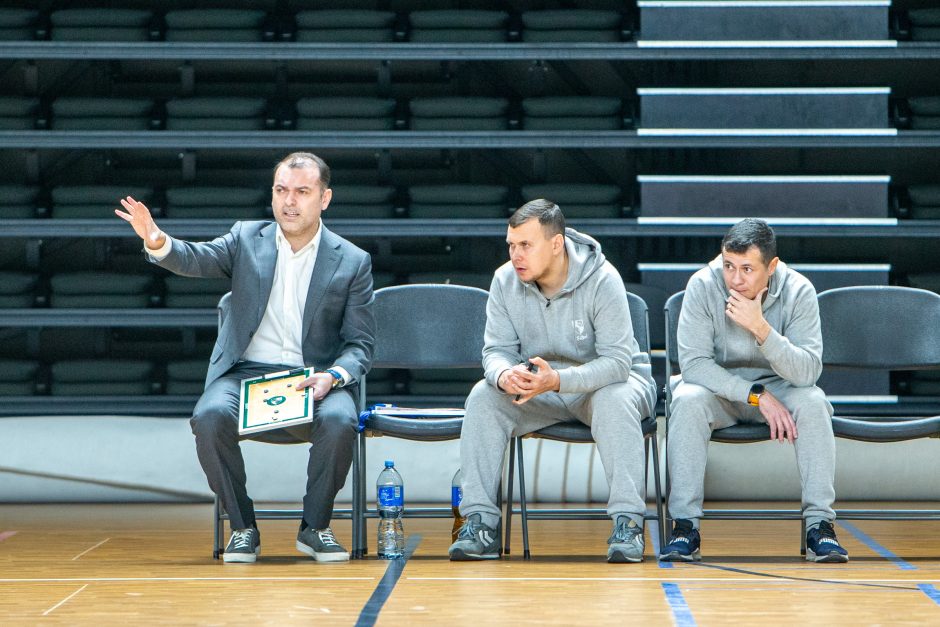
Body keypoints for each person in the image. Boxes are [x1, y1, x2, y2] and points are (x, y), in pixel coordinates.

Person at [115, 152, 375, 563]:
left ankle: (315, 528)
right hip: (247, 374)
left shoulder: (353, 261)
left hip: (316, 377)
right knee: (209, 416)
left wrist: (335, 376)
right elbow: (196, 259)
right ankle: (242, 527)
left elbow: (360, 344)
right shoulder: (245, 238)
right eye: (281, 190)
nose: (289, 202)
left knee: (342, 420)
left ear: (324, 198)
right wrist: (156, 240)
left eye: (302, 192)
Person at [448, 199, 658, 563]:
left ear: (557, 244)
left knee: (615, 399)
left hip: (605, 386)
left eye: (526, 245)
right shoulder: (504, 280)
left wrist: (558, 379)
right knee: (484, 396)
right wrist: (503, 374)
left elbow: (618, 363)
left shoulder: (602, 278)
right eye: (511, 245)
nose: (516, 255)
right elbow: (495, 351)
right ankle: (480, 521)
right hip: (541, 388)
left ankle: (628, 522)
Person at [660, 218, 848, 563]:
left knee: (814, 402)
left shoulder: (799, 290)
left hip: (783, 388)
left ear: (772, 266)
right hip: (720, 390)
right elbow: (694, 367)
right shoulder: (702, 285)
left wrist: (761, 329)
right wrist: (755, 394)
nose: (735, 278)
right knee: (686, 399)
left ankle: (820, 525)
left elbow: (807, 372)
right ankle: (684, 526)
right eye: (729, 265)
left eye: (747, 268)